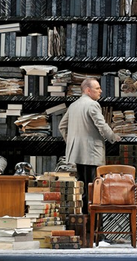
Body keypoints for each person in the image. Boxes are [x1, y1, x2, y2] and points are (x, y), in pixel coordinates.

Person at [58, 77, 121, 215]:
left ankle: (84, 224)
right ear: (88, 90)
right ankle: (94, 226)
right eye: (97, 88)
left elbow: (61, 125)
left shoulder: (73, 105)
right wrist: (113, 137)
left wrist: (71, 141)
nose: (101, 91)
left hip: (76, 154)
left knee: (82, 190)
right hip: (92, 154)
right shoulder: (92, 104)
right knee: (94, 191)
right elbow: (101, 124)